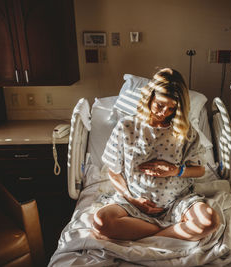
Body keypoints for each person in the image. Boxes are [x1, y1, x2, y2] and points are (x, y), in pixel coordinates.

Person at [94, 68, 220, 241]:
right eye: (160, 105)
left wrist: (176, 171)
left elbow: (200, 170)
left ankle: (147, 235)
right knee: (101, 222)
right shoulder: (127, 127)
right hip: (134, 204)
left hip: (177, 202)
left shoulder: (184, 131)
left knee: (210, 222)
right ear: (150, 97)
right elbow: (113, 171)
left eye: (171, 108)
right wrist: (133, 200)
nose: (164, 113)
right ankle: (173, 232)